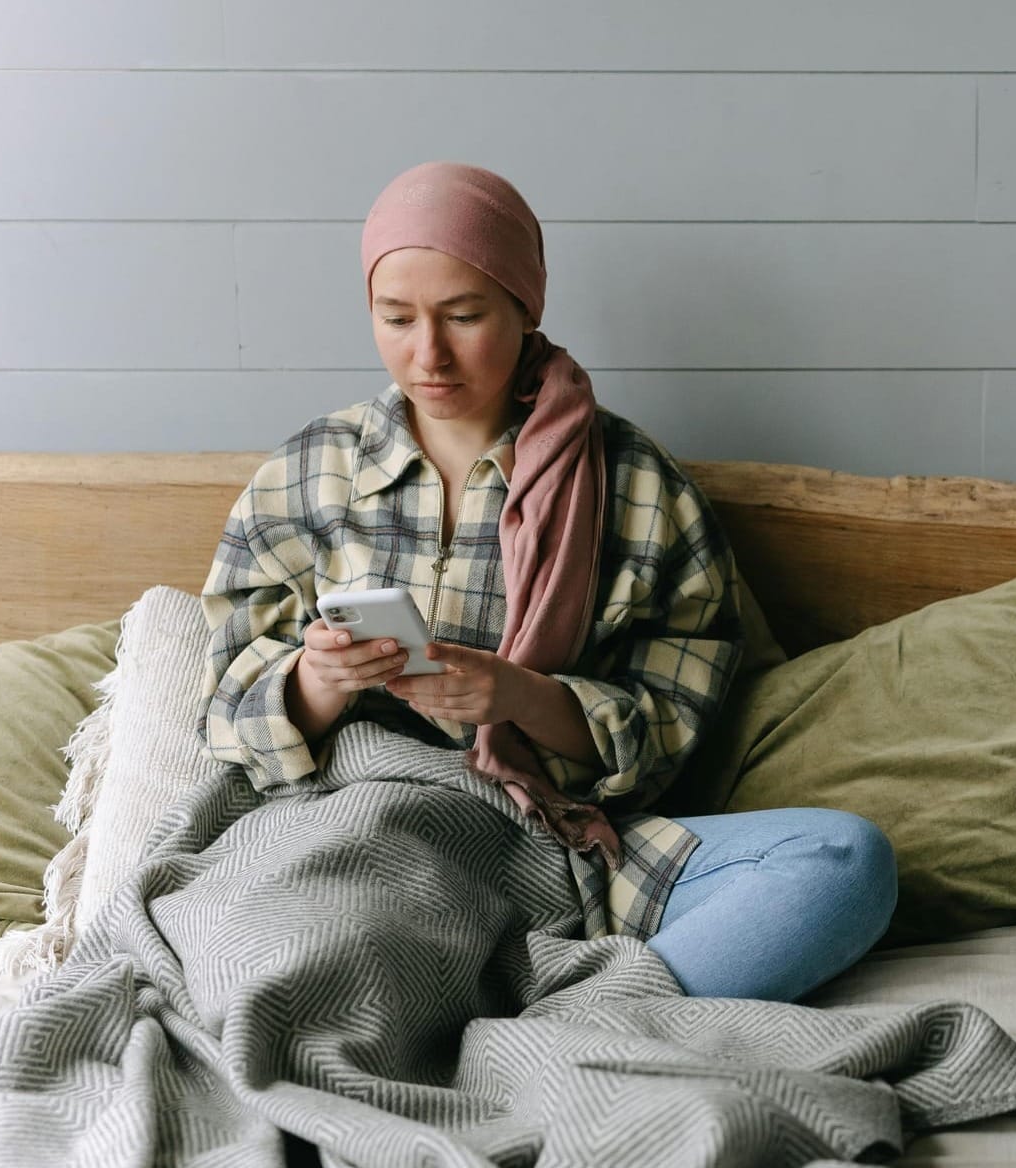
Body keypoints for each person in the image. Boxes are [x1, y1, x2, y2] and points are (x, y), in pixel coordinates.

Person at [199, 161, 895, 1003]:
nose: (429, 354)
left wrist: (520, 697)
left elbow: (676, 722)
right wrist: (313, 681)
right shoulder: (310, 470)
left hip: (547, 843)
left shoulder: (636, 484)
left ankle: (548, 1022)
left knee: (844, 863)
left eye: (464, 316)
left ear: (526, 306)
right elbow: (224, 705)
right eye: (396, 318)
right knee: (301, 933)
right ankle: (546, 1018)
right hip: (353, 828)